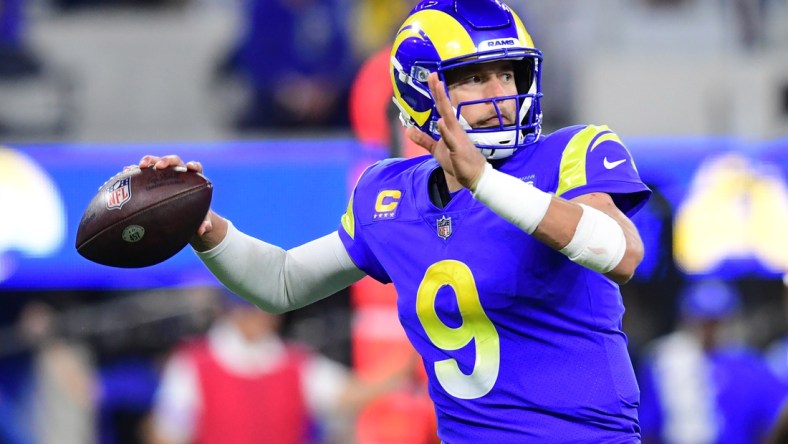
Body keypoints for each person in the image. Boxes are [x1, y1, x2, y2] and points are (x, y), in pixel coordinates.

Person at [140, 0, 651, 441]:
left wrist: (486, 184)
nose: (500, 93)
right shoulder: (389, 195)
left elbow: (620, 253)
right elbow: (281, 282)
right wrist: (204, 227)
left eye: (507, 71)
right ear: (420, 93)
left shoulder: (571, 153)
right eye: (473, 76)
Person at [637, 279, 788, 444]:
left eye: (716, 322)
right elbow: (647, 429)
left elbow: (775, 422)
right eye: (703, 322)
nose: (709, 331)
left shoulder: (750, 366)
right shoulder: (663, 361)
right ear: (686, 319)